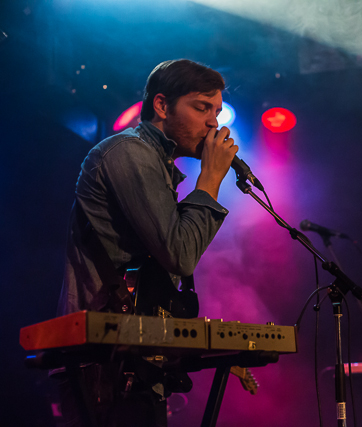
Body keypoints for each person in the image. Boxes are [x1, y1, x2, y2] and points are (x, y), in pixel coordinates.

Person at [55, 59, 238, 427]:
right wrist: (210, 179)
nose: (213, 123)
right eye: (202, 107)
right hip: (102, 366)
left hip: (128, 361)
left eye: (217, 112)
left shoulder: (158, 165)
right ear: (161, 105)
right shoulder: (129, 152)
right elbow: (180, 254)